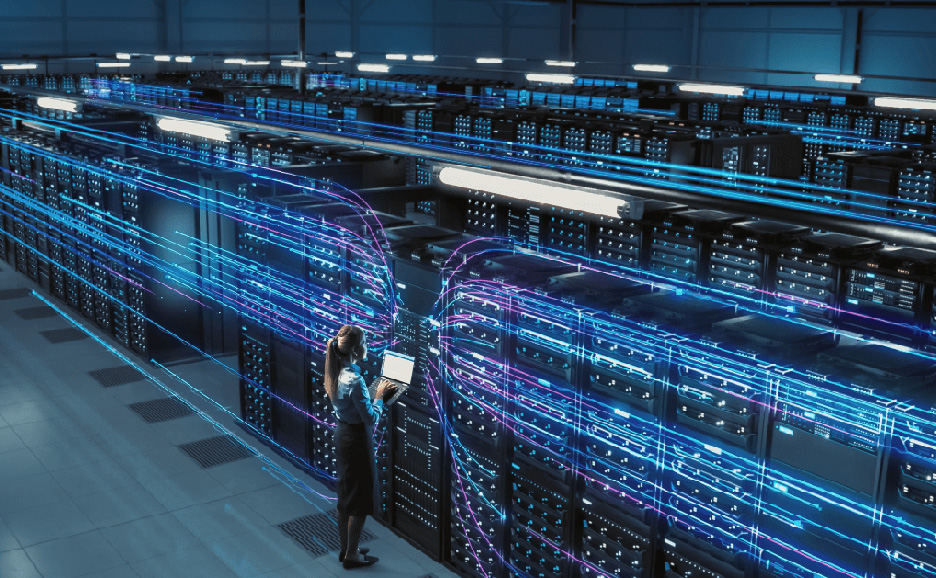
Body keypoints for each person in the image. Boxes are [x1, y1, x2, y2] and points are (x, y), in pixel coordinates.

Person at [323, 324, 397, 570]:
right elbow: (371, 418)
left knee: (346, 494)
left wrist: (372, 391)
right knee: (360, 499)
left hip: (343, 433)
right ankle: (353, 555)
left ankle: (346, 548)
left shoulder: (334, 372)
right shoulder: (354, 380)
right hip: (356, 439)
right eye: (365, 343)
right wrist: (380, 395)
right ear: (355, 349)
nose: (368, 347)